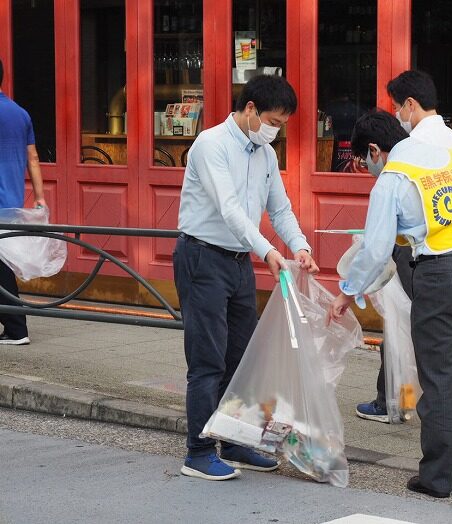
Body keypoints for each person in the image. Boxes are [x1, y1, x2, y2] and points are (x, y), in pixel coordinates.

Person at [329, 110, 452, 498]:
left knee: (438, 377)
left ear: (374, 150)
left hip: (441, 273)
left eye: (363, 160)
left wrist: (347, 293)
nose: (367, 167)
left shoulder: (392, 177)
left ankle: (436, 478)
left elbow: (374, 250)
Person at [174, 74, 319, 481]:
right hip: (202, 256)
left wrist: (299, 246)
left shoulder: (265, 154)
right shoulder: (211, 145)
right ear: (251, 109)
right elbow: (231, 210)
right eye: (274, 121)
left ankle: (235, 438)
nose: (276, 130)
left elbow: (280, 208)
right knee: (208, 360)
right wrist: (269, 251)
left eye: (283, 124)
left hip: (237, 262)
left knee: (241, 358)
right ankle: (198, 451)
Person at [355, 70, 452, 435]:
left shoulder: (412, 144)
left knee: (420, 327)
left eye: (396, 108)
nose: (396, 117)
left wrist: (349, 290)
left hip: (430, 251)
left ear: (410, 105)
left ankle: (410, 407)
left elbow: (396, 209)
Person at [0, 58, 46, 345]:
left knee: (1, 269)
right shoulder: (19, 113)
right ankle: (16, 327)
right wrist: (40, 198)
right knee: (2, 265)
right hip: (11, 202)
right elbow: (33, 158)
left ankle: (17, 327)